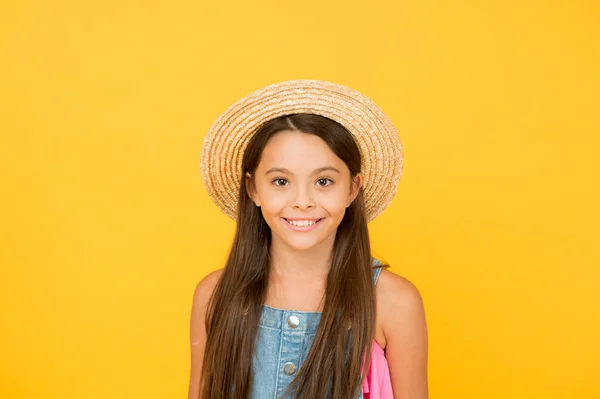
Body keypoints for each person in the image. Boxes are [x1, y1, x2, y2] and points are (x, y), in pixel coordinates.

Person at [188, 80, 428, 399]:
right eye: (281, 181)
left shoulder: (394, 302)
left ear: (353, 188)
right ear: (253, 189)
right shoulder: (215, 295)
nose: (303, 201)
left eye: (324, 181)